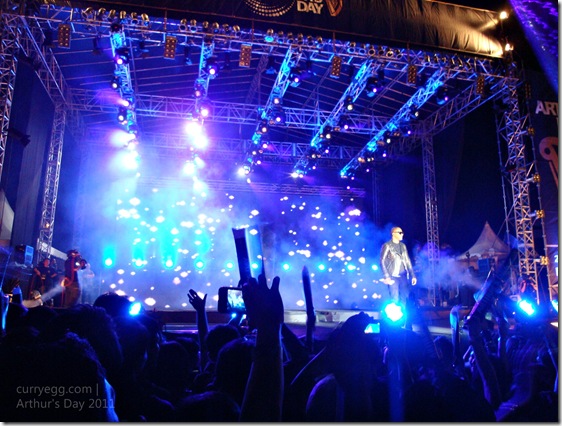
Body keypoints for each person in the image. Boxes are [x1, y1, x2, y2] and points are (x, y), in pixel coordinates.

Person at [380, 227, 417, 305]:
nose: (402, 234)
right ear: (393, 234)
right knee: (395, 298)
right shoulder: (387, 245)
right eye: (400, 233)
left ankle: (403, 312)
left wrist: (413, 275)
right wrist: (386, 275)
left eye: (402, 233)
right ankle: (394, 312)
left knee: (404, 297)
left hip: (403, 275)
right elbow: (382, 260)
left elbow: (407, 260)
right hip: (392, 276)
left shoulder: (403, 246)